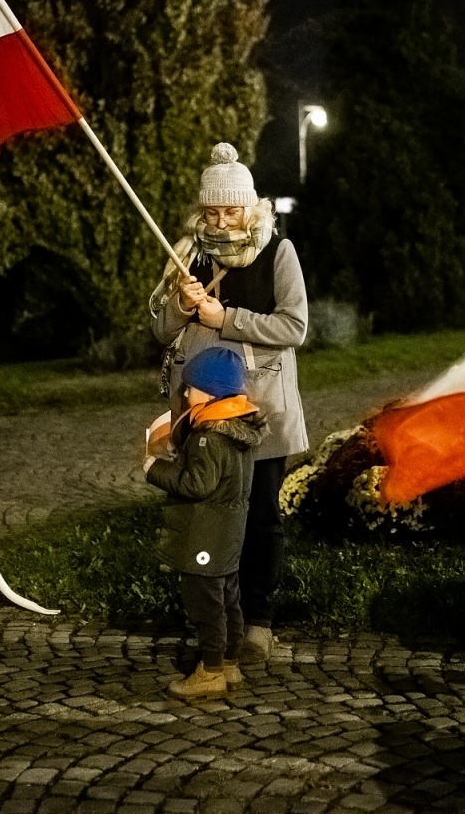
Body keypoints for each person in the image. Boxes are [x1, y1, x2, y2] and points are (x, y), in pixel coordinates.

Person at [149, 143, 308, 663]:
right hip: (200, 414)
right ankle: (218, 622)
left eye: (231, 210)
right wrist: (180, 306)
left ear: (251, 207)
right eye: (212, 211)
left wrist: (225, 318)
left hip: (257, 415)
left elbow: (294, 326)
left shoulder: (277, 252)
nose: (221, 220)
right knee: (209, 516)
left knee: (259, 516)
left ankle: (258, 622)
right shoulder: (187, 255)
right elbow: (159, 330)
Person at [144, 347, 267, 698]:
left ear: (211, 393)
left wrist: (154, 469)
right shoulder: (237, 433)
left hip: (204, 535)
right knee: (229, 597)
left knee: (205, 603)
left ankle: (210, 671)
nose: (185, 393)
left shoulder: (206, 438)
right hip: (228, 534)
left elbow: (196, 485)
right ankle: (230, 663)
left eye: (191, 387)